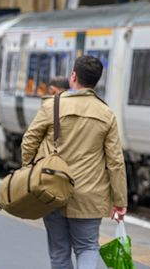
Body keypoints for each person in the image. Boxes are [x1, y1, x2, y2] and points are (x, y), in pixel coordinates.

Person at [21, 55, 127, 269]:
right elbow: (115, 161)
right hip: (89, 193)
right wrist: (120, 199)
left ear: (73, 76)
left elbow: (28, 141)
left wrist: (29, 173)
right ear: (96, 81)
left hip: (51, 188)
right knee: (87, 247)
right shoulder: (106, 114)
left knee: (59, 251)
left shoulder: (52, 106)